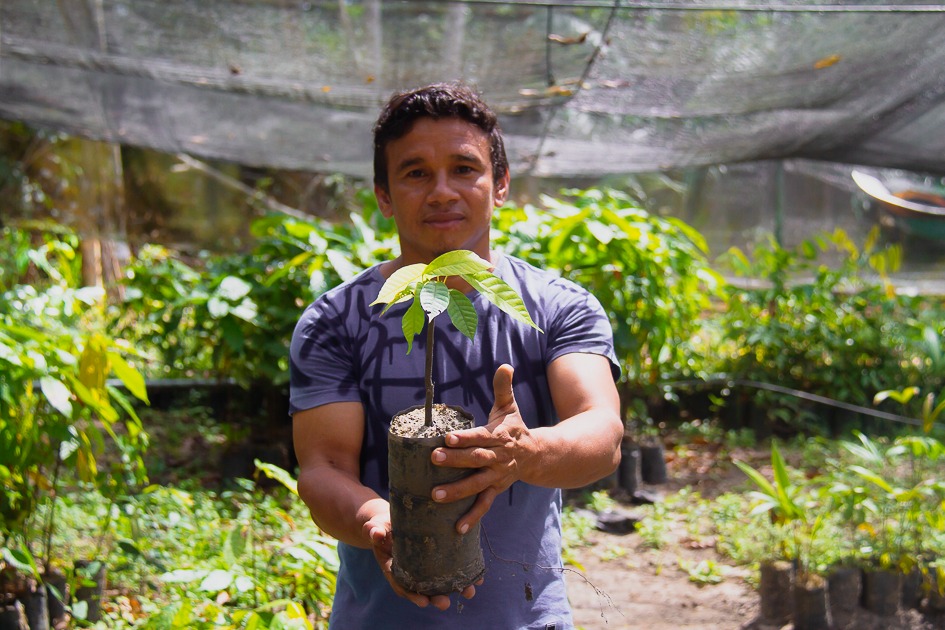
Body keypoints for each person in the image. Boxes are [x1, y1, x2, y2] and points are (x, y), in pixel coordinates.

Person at [289, 82, 622, 629]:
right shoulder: (336, 321)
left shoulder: (559, 307)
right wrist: (378, 520)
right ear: (384, 195)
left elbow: (602, 432)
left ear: (501, 185)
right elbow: (323, 467)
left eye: (464, 168)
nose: (442, 191)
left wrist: (527, 452)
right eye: (416, 173)